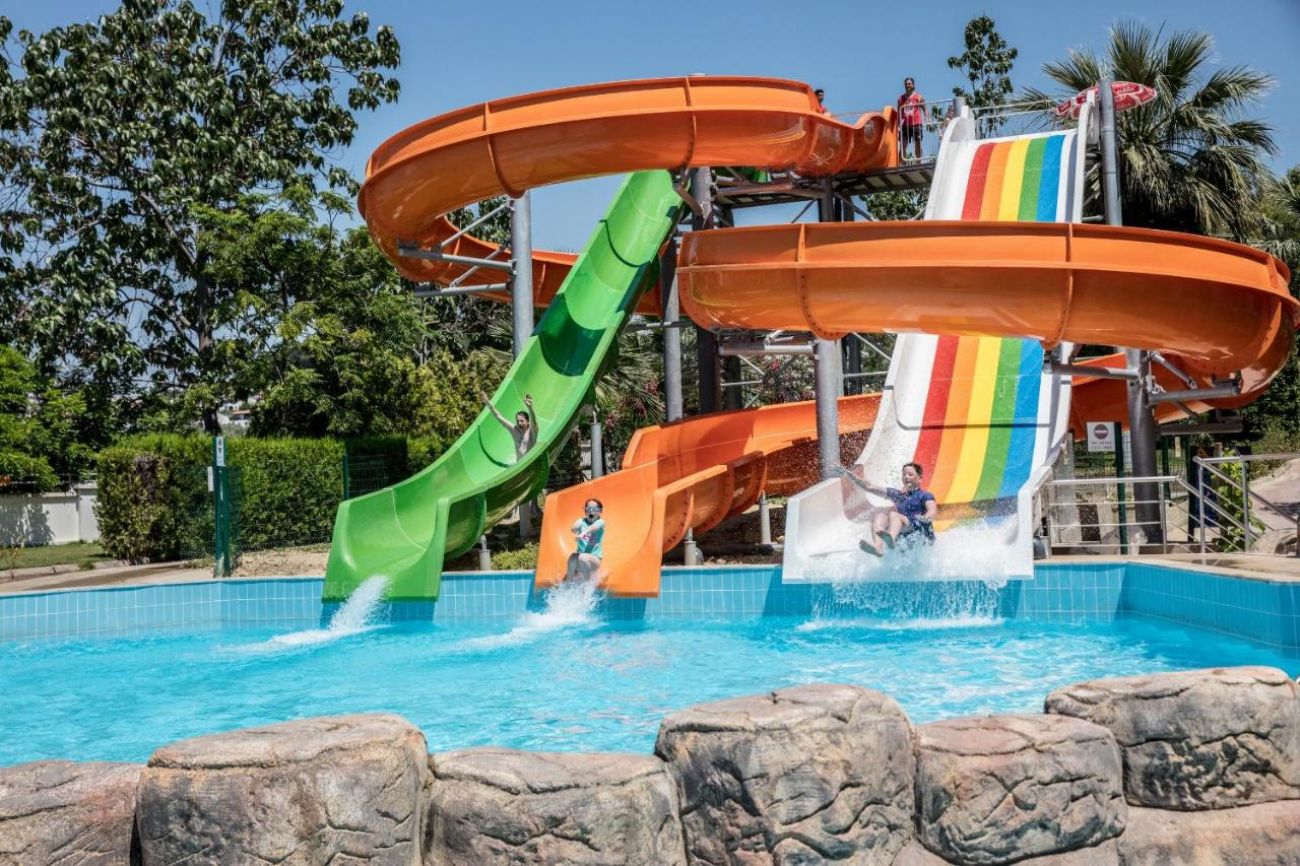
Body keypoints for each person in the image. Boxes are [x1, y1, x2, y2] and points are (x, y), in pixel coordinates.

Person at [836, 462, 937, 556]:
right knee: (879, 516)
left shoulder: (925, 495)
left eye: (910, 474)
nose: (906, 477)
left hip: (919, 530)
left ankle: (891, 538)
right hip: (903, 532)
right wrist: (848, 474)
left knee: (894, 514)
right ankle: (878, 548)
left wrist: (926, 517)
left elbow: (932, 509)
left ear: (920, 478)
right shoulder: (897, 495)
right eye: (904, 474)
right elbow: (869, 487)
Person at [482, 391, 537, 463]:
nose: (519, 423)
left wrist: (530, 408)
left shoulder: (532, 431)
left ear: (527, 422)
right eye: (518, 421)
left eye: (522, 421)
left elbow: (534, 422)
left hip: (532, 462)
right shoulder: (514, 430)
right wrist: (488, 403)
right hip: (519, 465)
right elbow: (499, 416)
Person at [566, 498, 605, 582]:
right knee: (573, 557)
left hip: (594, 560)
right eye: (588, 509)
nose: (591, 511)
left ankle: (587, 586)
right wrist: (575, 528)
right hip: (580, 560)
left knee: (582, 557)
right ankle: (568, 585)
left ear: (599, 511)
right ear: (585, 510)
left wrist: (582, 534)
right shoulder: (581, 521)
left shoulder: (601, 522)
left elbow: (593, 528)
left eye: (594, 509)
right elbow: (574, 528)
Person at [896, 77, 926, 161]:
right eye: (906, 84)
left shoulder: (919, 97)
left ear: (913, 85)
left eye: (909, 84)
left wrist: (927, 117)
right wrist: (898, 125)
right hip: (905, 125)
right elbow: (899, 112)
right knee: (903, 145)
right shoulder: (901, 99)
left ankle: (919, 162)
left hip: (916, 124)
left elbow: (925, 109)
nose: (907, 85)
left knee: (918, 144)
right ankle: (902, 164)